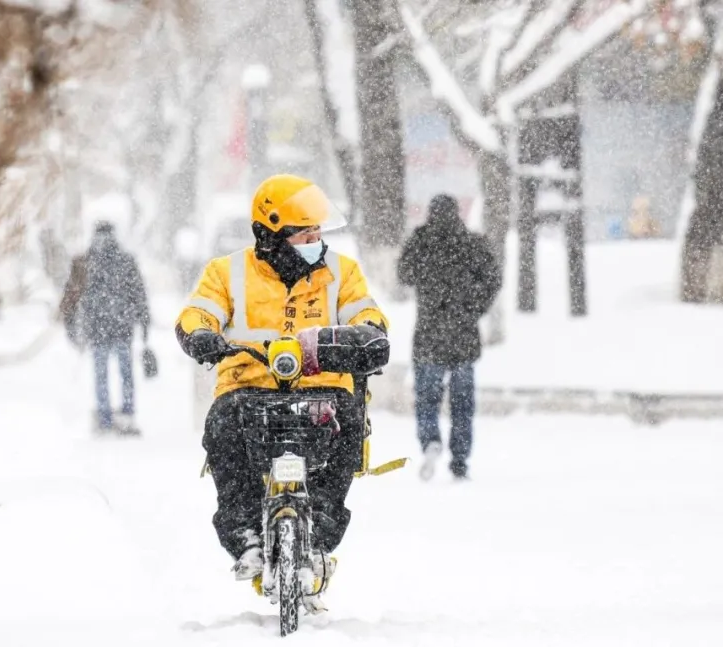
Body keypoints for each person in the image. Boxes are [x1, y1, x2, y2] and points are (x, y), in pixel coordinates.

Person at [175, 174, 390, 613]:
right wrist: (201, 335)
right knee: (222, 427)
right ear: (271, 234)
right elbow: (198, 313)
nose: (316, 241)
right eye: (305, 233)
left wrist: (367, 333)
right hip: (247, 391)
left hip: (323, 391)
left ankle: (321, 535)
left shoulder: (341, 272)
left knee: (351, 424)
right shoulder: (226, 273)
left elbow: (366, 312)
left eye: (318, 232)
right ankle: (245, 536)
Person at [397, 194, 502, 481]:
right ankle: (460, 459)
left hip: (429, 335)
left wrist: (420, 246)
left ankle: (430, 440)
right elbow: (493, 278)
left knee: (427, 399)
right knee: (462, 403)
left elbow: (403, 274)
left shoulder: (423, 242)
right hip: (463, 335)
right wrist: (473, 307)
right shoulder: (471, 244)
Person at [60, 221, 151, 436]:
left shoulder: (84, 262)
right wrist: (144, 322)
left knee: (101, 374)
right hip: (122, 326)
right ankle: (127, 416)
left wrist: (71, 327)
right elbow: (138, 293)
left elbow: (70, 298)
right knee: (125, 373)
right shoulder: (125, 260)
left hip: (98, 327)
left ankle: (105, 418)